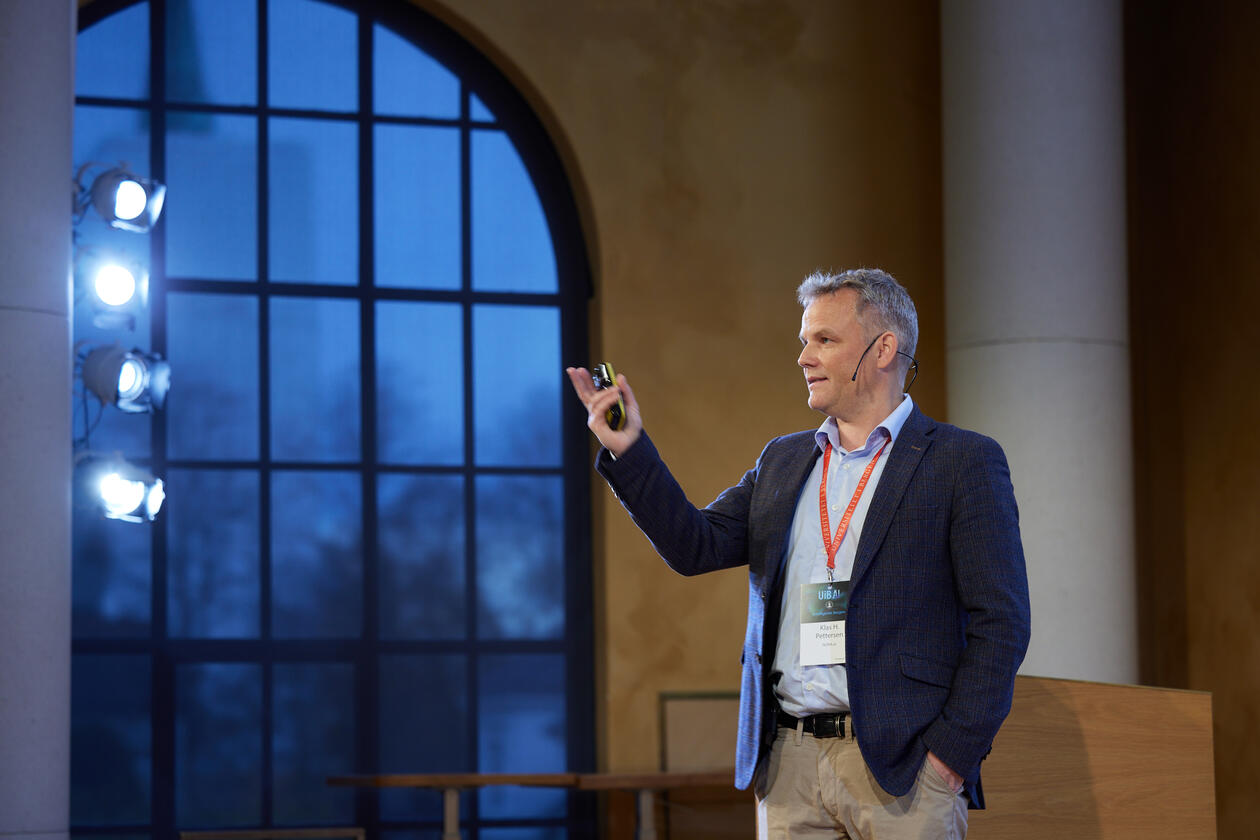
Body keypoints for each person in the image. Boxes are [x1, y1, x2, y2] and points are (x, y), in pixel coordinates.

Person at [566, 268, 1030, 840]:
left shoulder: (962, 462)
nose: (804, 357)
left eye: (824, 341)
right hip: (787, 762)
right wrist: (629, 449)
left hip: (904, 769)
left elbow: (1001, 624)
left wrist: (950, 758)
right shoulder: (783, 461)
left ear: (884, 349)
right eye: (803, 341)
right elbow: (695, 545)